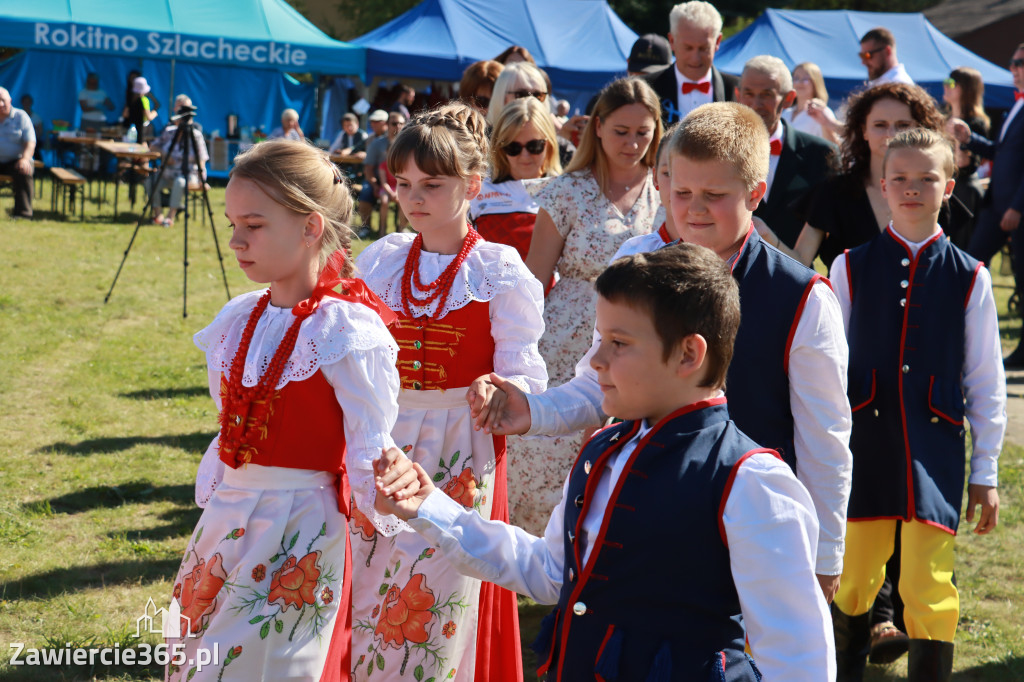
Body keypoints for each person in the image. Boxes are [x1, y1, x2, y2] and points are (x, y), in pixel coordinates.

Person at [381, 243, 836, 681]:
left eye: (618, 343)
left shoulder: (751, 480)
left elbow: (797, 660)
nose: (595, 361)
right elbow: (552, 573)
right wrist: (428, 505)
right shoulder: (606, 450)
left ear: (688, 354)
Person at [481, 103, 853, 610]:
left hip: (745, 518)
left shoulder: (804, 297)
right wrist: (535, 410)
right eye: (681, 193)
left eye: (714, 195)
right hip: (641, 501)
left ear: (757, 195)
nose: (694, 209)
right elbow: (598, 383)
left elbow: (824, 436)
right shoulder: (635, 262)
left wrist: (825, 552)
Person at [169, 138, 417, 682]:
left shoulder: (345, 330)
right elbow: (230, 418)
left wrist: (389, 509)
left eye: (253, 225)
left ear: (310, 227)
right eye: (233, 223)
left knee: (264, 664)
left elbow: (368, 441)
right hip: (229, 516)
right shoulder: (239, 319)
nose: (235, 240)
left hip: (298, 525)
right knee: (196, 656)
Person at [351, 102, 546, 681]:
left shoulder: (499, 269)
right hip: (384, 439)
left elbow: (526, 372)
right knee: (366, 580)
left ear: (472, 185)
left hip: (460, 443)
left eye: (432, 185)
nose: (414, 197)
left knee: (436, 592)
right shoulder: (382, 258)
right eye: (404, 183)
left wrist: (497, 386)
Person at [829, 128, 1005, 682]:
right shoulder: (848, 267)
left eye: (926, 178)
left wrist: (986, 471)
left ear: (948, 186)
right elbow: (829, 371)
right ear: (882, 186)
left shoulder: (971, 277)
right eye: (899, 179)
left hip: (935, 449)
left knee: (928, 582)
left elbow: (985, 379)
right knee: (853, 575)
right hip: (864, 448)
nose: (911, 188)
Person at [508, 78, 663, 534]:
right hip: (566, 336)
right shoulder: (566, 191)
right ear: (597, 128)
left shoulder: (667, 192)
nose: (632, 143)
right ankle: (535, 567)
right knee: (545, 454)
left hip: (641, 338)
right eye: (621, 131)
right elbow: (534, 278)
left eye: (643, 132)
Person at [790, 83, 969, 268]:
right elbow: (799, 261)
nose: (891, 134)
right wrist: (765, 236)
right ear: (864, 131)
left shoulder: (934, 192)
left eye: (903, 125)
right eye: (880, 125)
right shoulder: (833, 192)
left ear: (920, 128)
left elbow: (946, 266)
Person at [953, 43, 1024, 366]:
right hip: (997, 207)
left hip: (1014, 210)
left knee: (1020, 278)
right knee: (970, 266)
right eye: (1013, 61)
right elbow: (1003, 152)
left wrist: (1017, 207)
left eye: (1020, 62)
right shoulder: (1016, 108)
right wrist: (971, 139)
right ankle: (962, 336)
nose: (1014, 68)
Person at [737, 55, 837, 249]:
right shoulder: (717, 152)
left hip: (796, 273)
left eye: (766, 94)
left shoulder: (820, 155)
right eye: (748, 93)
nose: (756, 103)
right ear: (737, 94)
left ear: (789, 98)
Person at [469, 97, 561, 262]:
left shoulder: (564, 190)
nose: (524, 156)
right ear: (500, 148)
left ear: (550, 144)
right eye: (513, 147)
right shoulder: (477, 188)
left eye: (534, 146)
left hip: (548, 288)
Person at [643, 1, 739, 125]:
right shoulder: (646, 89)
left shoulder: (738, 91)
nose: (695, 58)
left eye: (704, 48)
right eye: (688, 48)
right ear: (672, 41)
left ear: (717, 42)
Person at [942, 67, 990, 249]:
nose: (946, 86)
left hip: (965, 191)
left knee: (963, 247)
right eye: (946, 82)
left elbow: (963, 164)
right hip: (947, 187)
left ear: (967, 89)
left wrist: (958, 135)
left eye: (952, 83)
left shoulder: (976, 123)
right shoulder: (943, 118)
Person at [148, 95, 209, 228]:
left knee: (179, 182)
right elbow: (153, 145)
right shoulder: (169, 132)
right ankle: (158, 214)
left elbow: (202, 159)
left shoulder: (196, 135)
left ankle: (170, 217)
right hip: (166, 173)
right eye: (179, 108)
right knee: (150, 180)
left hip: (187, 175)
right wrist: (164, 155)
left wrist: (203, 180)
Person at [0, 87, 35, 219]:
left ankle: (23, 213)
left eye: (2, 100)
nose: (0, 104)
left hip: (16, 160)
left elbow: (30, 142)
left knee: (24, 170)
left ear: (10, 100)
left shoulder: (21, 117)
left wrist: (25, 159)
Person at [783, 61, 838, 143]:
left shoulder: (823, 112)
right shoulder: (785, 113)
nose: (800, 82)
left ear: (815, 82)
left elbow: (833, 146)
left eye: (805, 79)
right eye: (796, 78)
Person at [486, 62, 550, 128]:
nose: (531, 101)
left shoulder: (555, 136)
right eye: (522, 95)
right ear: (502, 98)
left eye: (537, 95)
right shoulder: (482, 137)